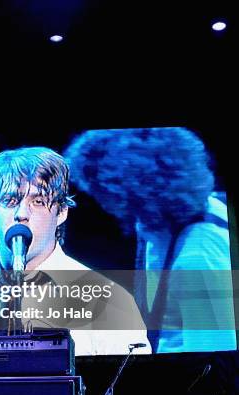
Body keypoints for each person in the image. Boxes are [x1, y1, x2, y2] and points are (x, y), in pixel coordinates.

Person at [0, 146, 151, 356]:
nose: (22, 214)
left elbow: (133, 387)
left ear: (61, 212)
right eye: (10, 201)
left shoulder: (109, 300)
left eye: (38, 202)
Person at [64, 127, 236, 353]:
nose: (103, 204)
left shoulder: (198, 257)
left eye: (101, 193)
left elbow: (213, 362)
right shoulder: (165, 221)